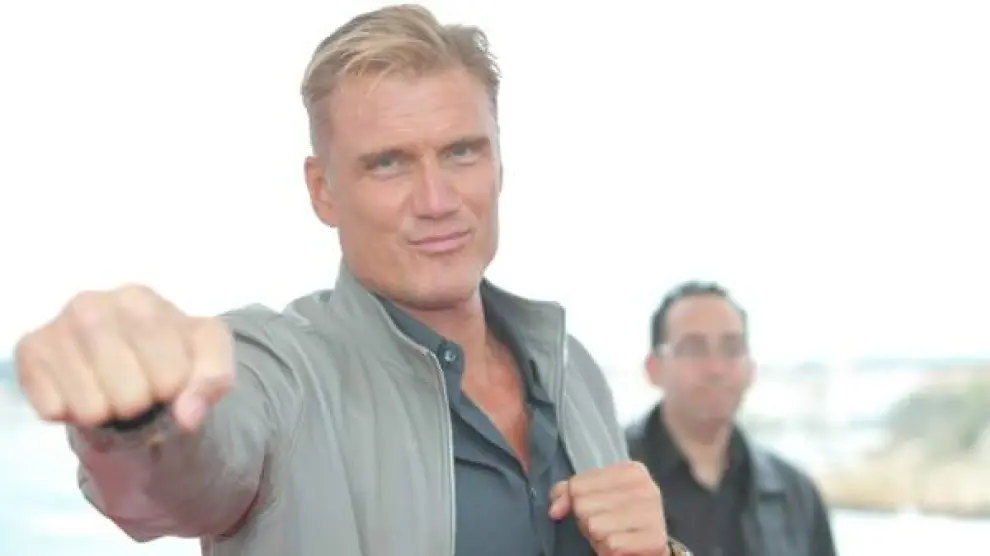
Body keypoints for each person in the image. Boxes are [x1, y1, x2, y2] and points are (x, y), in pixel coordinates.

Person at [13, 5, 690, 556]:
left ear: (499, 165)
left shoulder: (574, 371)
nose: (436, 200)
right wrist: (137, 415)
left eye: (461, 152)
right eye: (388, 163)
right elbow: (177, 479)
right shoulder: (285, 373)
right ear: (323, 191)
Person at [626, 281, 837, 556]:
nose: (716, 368)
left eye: (731, 348)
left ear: (751, 368)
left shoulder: (796, 494)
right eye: (694, 348)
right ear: (653, 368)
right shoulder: (609, 479)